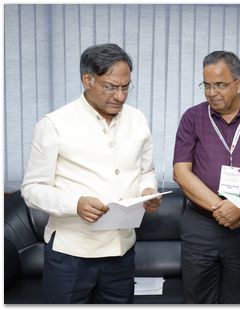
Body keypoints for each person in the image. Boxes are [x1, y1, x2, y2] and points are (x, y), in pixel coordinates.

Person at [21, 43, 161, 304]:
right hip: (71, 255)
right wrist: (75, 204)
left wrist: (148, 190)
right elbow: (32, 189)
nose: (120, 96)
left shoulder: (138, 119)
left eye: (125, 87)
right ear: (88, 79)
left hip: (122, 252)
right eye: (110, 86)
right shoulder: (54, 124)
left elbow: (146, 171)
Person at [173, 51, 240, 303]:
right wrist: (221, 208)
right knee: (198, 300)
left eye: (220, 85)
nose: (212, 92)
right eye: (207, 85)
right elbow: (181, 171)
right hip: (200, 226)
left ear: (239, 84)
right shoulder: (192, 118)